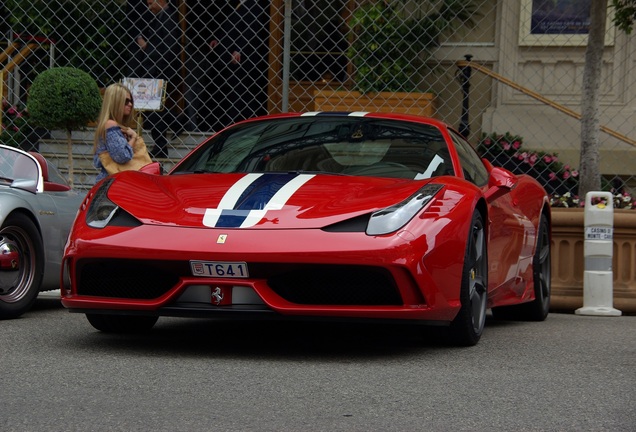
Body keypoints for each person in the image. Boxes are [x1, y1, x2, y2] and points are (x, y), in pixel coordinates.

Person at [132, 0, 182, 158]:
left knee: (154, 109)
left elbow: (168, 47)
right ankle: (175, 122)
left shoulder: (167, 18)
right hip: (155, 70)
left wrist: (154, 65)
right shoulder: (161, 17)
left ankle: (164, 140)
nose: (149, 6)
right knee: (153, 107)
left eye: (151, 2)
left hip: (159, 70)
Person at [213, 0, 268, 129]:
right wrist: (218, 40)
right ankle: (244, 121)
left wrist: (239, 49)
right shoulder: (237, 5)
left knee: (239, 91)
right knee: (238, 91)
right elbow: (229, 26)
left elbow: (250, 30)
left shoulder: (254, 5)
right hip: (231, 57)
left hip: (243, 59)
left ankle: (234, 123)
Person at [93, 83, 137, 183]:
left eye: (131, 101)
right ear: (115, 102)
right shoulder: (110, 125)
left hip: (110, 181)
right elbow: (122, 156)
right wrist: (134, 138)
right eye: (126, 101)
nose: (130, 104)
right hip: (111, 184)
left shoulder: (109, 125)